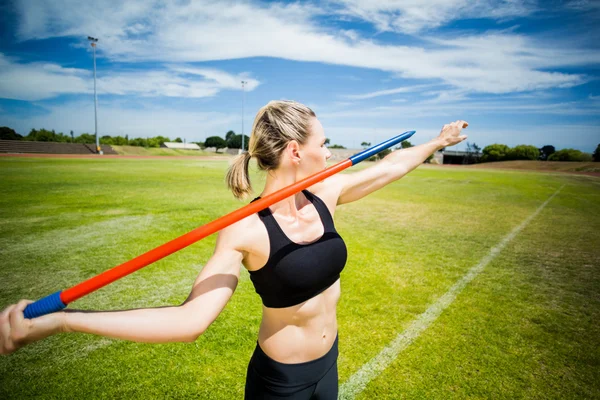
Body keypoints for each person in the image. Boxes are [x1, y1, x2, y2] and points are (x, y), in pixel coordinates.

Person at [0, 100, 468, 399]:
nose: (330, 153)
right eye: (324, 143)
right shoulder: (246, 229)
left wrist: (437, 142)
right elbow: (189, 322)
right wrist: (62, 319)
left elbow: (391, 166)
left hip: (329, 366)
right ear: (294, 151)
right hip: (281, 384)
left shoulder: (325, 195)